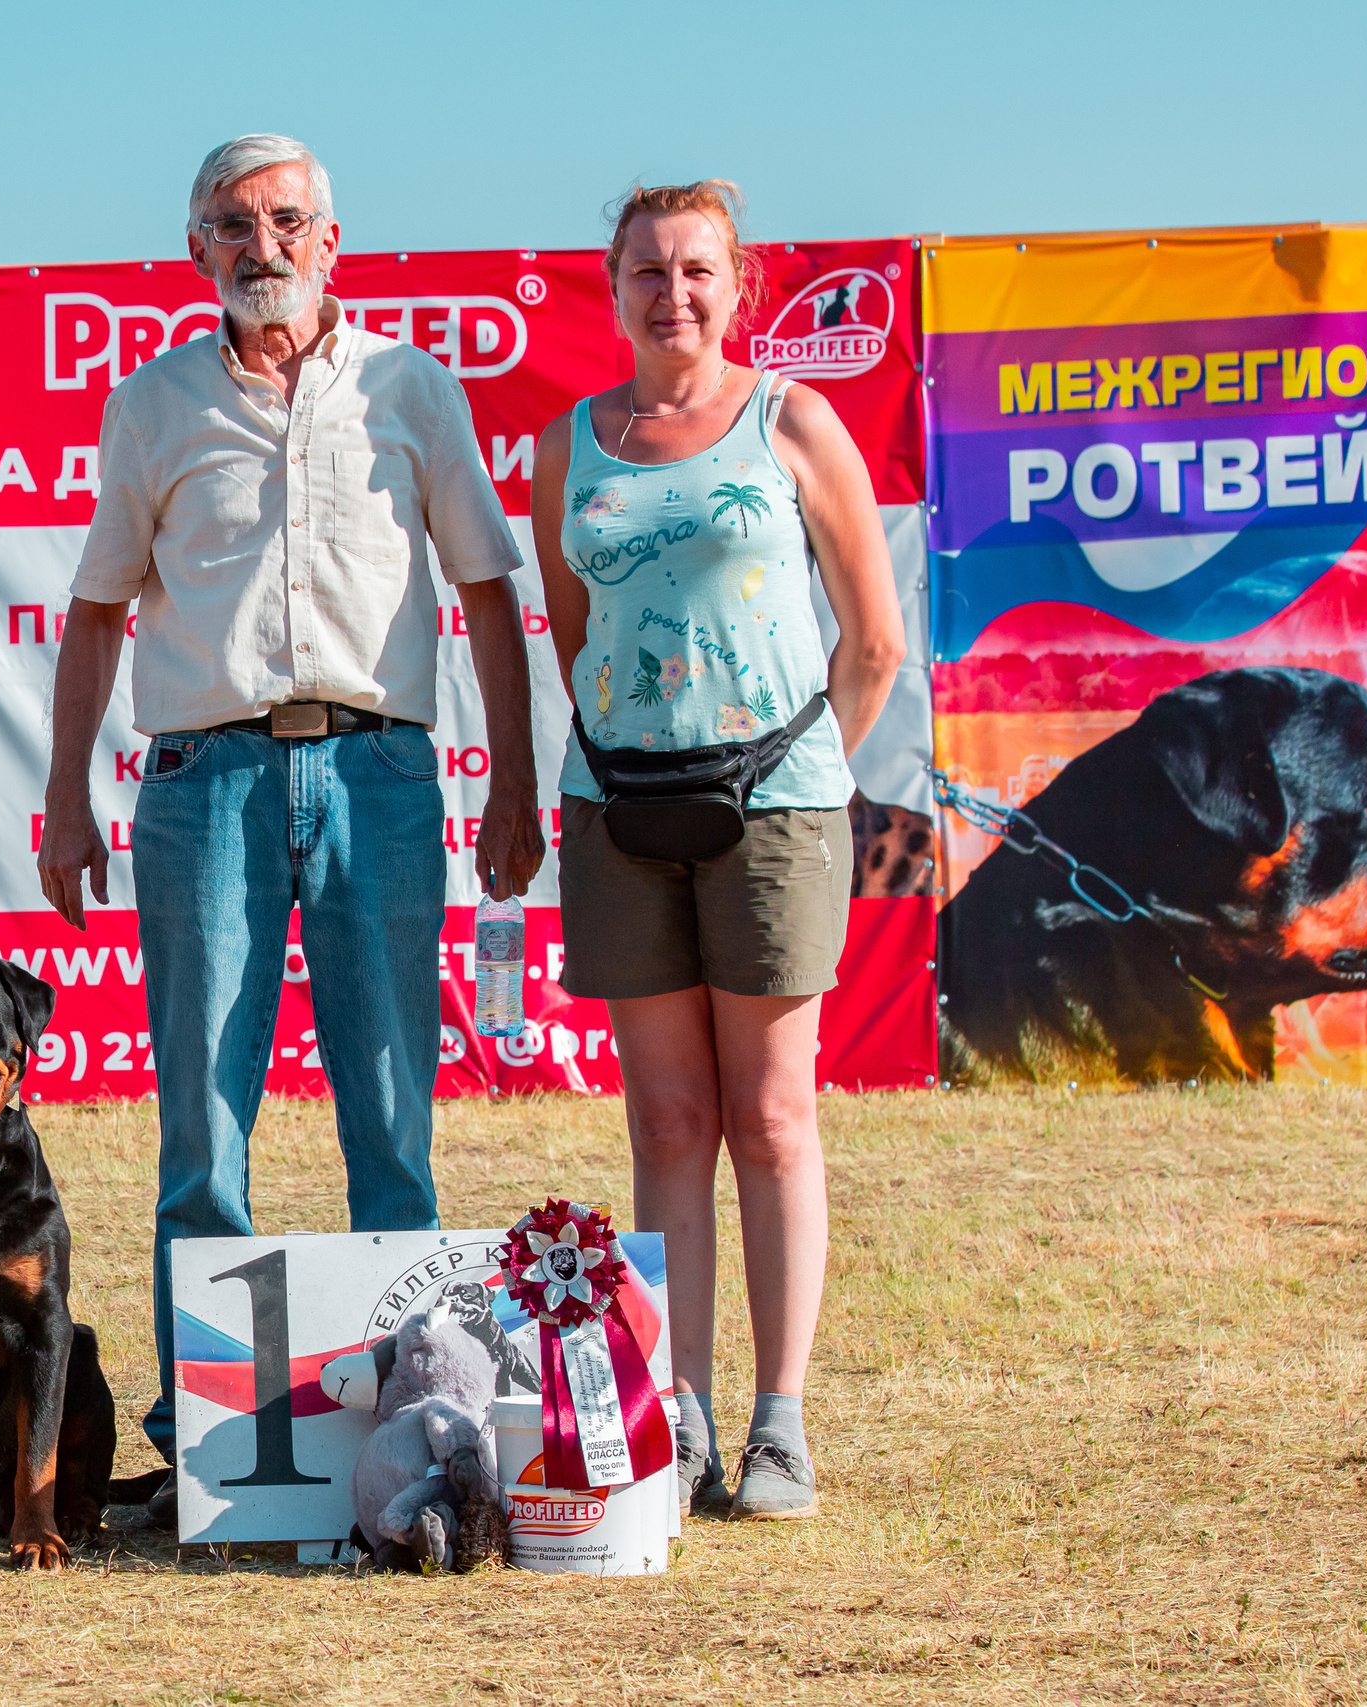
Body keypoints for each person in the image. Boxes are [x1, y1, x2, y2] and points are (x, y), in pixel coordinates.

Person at [38, 135, 544, 1508]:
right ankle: (206, 1451)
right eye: (229, 224)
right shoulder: (150, 406)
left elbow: (489, 588)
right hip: (207, 782)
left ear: (332, 240)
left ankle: (429, 1425)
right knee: (203, 1120)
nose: (259, 243)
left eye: (284, 220)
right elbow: (93, 613)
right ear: (195, 250)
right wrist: (64, 797)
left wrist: (515, 777)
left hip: (380, 774)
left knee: (391, 1112)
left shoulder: (410, 386)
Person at [532, 181, 905, 1520]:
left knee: (771, 1114)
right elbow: (576, 638)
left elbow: (872, 642)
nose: (670, 293)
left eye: (696, 269)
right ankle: (678, 1419)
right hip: (620, 810)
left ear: (738, 285)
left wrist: (802, 779)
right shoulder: (567, 447)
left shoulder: (793, 421)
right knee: (669, 1119)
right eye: (646, 270)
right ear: (613, 284)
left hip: (776, 808)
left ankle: (779, 1426)